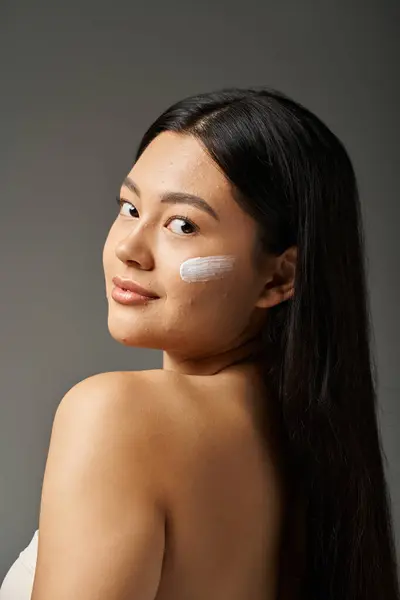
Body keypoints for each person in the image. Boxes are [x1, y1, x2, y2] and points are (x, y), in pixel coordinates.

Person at [1, 86, 398, 600]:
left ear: (279, 277)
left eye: (182, 224)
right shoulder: (323, 464)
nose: (129, 248)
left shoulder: (116, 416)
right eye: (128, 207)